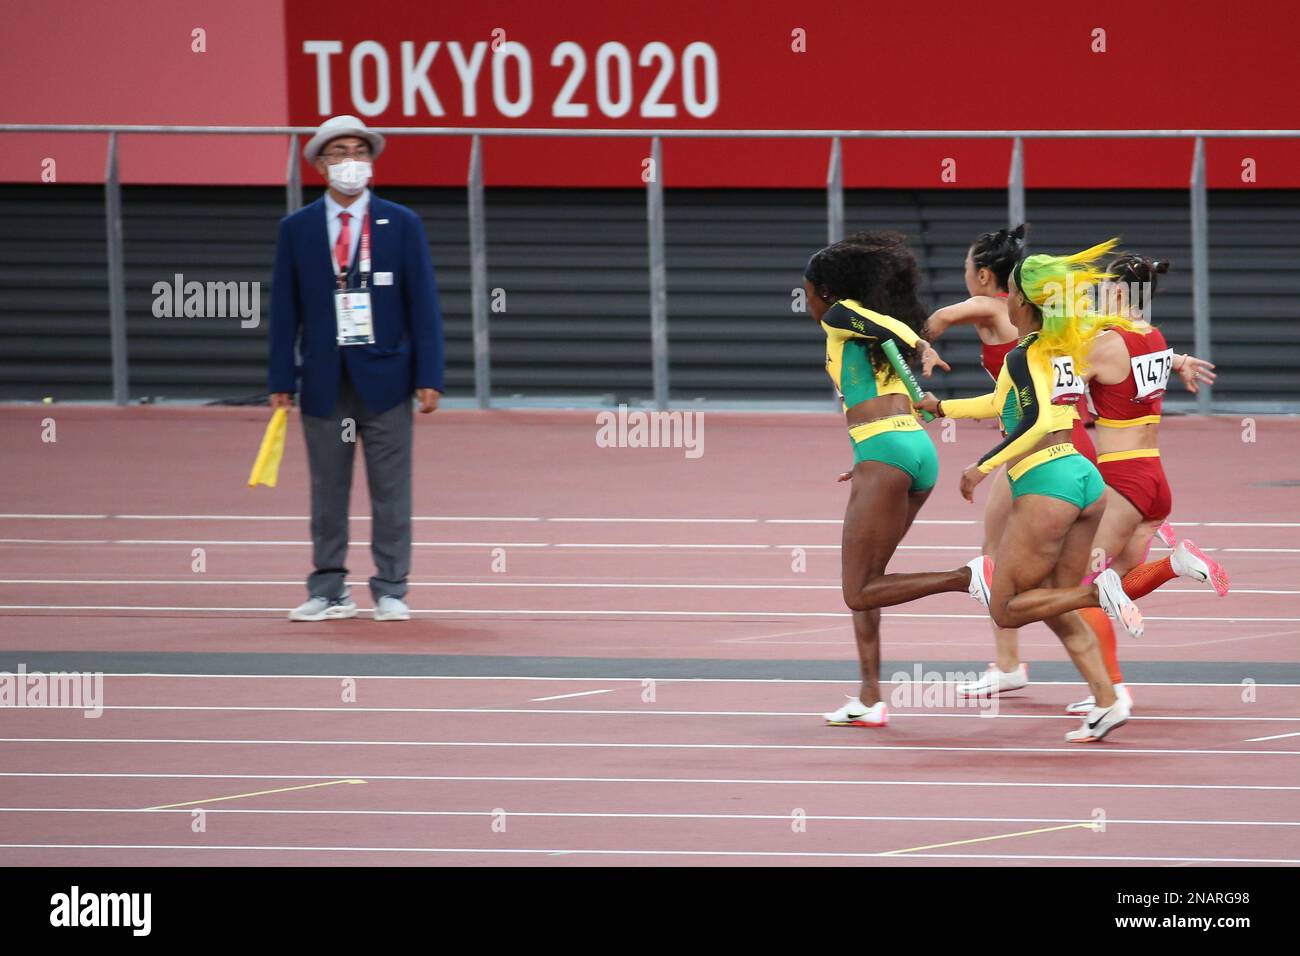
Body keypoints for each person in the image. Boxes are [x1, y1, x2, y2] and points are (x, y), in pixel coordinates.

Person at [870, 239, 1148, 741]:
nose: (1009, 301)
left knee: (1006, 606)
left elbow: (1037, 421)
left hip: (1048, 481)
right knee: (1054, 603)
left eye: (1014, 293)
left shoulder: (1025, 353)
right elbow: (1001, 405)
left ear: (1024, 301)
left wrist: (982, 466)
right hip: (1085, 480)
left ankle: (1098, 591)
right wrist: (941, 408)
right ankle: (1107, 700)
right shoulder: (1055, 349)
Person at [268, 115, 445, 623]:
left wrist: (429, 375)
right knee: (328, 487)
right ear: (321, 165)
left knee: (391, 488)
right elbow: (284, 310)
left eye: (359, 152)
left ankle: (391, 587)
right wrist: (281, 378)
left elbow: (424, 305)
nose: (351, 162)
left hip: (388, 379)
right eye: (339, 152)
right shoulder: (297, 229)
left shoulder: (401, 223)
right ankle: (328, 587)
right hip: (324, 379)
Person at [1061, 254, 1228, 714]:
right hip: (1154, 482)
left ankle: (1111, 691)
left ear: (1117, 293)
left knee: (1079, 586)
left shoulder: (1102, 344)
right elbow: (1150, 355)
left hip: (1122, 480)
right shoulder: (1153, 336)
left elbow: (1061, 387)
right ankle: (1175, 564)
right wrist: (1179, 360)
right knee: (1118, 582)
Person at [803, 233, 950, 729]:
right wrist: (867, 462)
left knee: (857, 590)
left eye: (807, 292)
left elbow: (885, 325)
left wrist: (920, 342)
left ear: (826, 292)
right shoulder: (868, 338)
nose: (806, 303)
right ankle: (868, 697)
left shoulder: (841, 316)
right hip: (907, 450)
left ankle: (968, 578)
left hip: (887, 453)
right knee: (872, 580)